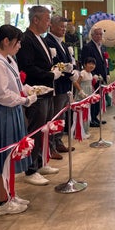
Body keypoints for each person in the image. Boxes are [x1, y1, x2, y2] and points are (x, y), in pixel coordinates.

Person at [0, 25, 37, 216]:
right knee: (2, 158)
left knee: (11, 155)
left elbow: (16, 85)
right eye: (18, 42)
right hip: (1, 112)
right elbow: (1, 94)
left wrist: (29, 90)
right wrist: (25, 100)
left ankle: (10, 193)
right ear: (6, 41)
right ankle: (2, 201)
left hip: (11, 109)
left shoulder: (8, 59)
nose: (20, 46)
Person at [16, 5, 60, 186]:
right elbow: (27, 67)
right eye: (47, 19)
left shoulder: (40, 38)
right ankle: (30, 168)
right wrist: (49, 75)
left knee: (44, 128)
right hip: (36, 91)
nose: (49, 23)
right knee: (35, 129)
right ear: (35, 20)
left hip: (47, 90)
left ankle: (40, 162)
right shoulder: (26, 39)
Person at [45, 15, 79, 158]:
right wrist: (68, 71)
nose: (64, 30)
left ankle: (58, 141)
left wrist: (74, 70)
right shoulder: (48, 41)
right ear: (52, 26)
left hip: (66, 85)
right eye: (61, 27)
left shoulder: (63, 43)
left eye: (65, 27)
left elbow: (70, 61)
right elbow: (55, 63)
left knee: (62, 115)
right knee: (55, 115)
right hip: (57, 84)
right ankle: (51, 146)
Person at [81, 27, 108, 127]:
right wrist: (93, 75)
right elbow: (85, 62)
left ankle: (95, 117)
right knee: (93, 99)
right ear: (92, 35)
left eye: (101, 34)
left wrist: (107, 73)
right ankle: (91, 119)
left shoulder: (102, 46)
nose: (99, 36)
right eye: (97, 34)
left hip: (101, 77)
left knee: (98, 99)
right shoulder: (88, 47)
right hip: (93, 78)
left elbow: (104, 62)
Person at [73, 57, 97, 139]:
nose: (92, 65)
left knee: (86, 113)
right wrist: (81, 91)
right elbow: (76, 83)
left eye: (93, 64)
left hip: (88, 96)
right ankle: (80, 132)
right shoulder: (83, 73)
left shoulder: (90, 74)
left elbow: (90, 85)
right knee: (81, 114)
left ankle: (85, 131)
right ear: (85, 65)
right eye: (89, 63)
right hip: (82, 96)